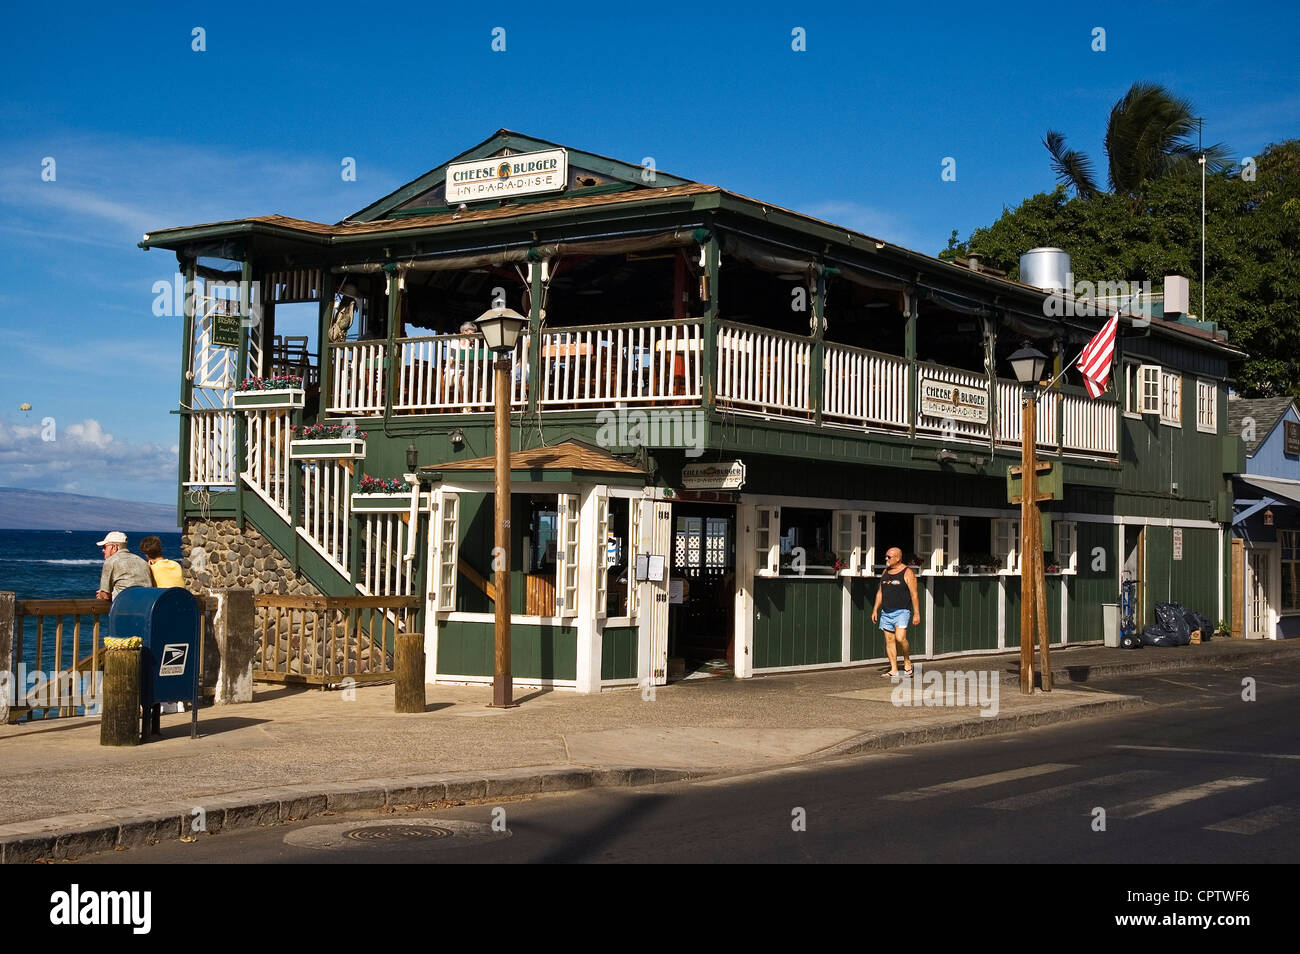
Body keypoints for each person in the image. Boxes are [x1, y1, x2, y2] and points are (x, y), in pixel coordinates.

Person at [871, 546, 920, 681]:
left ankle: (907, 661)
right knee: (889, 641)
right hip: (886, 612)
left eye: (889, 557)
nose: (886, 559)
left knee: (900, 638)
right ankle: (893, 669)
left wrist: (916, 613)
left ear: (898, 558)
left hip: (902, 611)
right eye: (886, 556)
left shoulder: (907, 572)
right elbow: (880, 592)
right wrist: (875, 609)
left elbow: (914, 594)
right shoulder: (885, 572)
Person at [94, 531, 152, 601]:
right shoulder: (142, 561)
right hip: (145, 606)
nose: (103, 550)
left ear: (115, 547)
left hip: (124, 607)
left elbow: (105, 596)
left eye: (105, 547)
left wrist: (101, 594)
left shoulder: (110, 561)